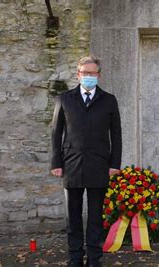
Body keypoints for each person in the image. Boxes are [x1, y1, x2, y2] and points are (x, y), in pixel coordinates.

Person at [51, 56, 122, 267]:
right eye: (85, 73)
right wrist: (56, 162)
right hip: (71, 164)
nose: (89, 77)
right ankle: (74, 258)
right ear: (78, 75)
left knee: (95, 218)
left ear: (98, 75)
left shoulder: (109, 100)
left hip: (99, 164)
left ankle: (94, 259)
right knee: (72, 218)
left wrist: (114, 164)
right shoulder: (64, 99)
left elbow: (116, 134)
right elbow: (56, 132)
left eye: (93, 73)